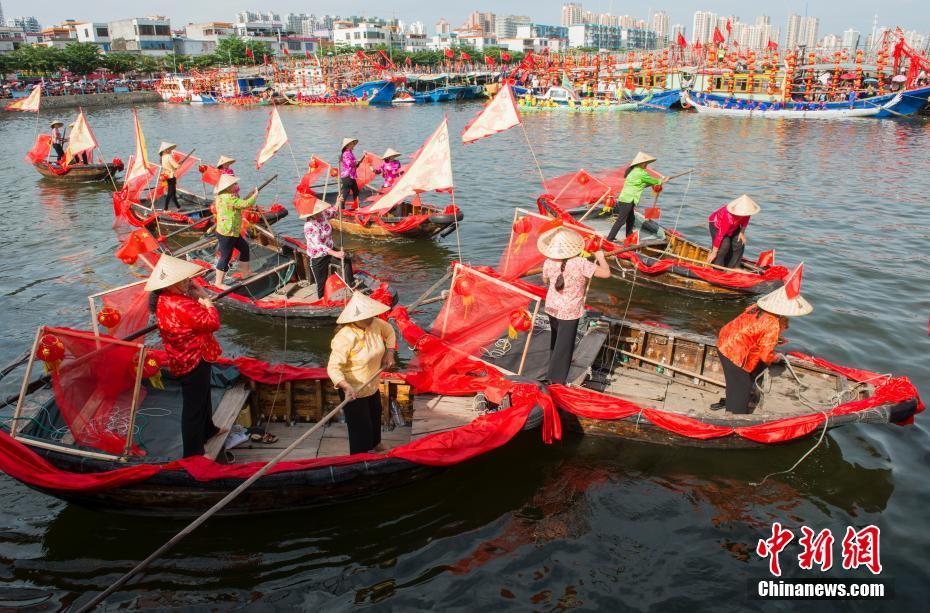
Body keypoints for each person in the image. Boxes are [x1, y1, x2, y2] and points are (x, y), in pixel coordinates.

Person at [145, 254, 227, 458]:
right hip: (193, 359)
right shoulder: (180, 304)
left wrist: (194, 294)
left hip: (184, 355)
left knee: (203, 396)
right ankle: (193, 453)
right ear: (169, 284)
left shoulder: (165, 300)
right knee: (193, 408)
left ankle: (209, 430)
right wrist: (206, 299)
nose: (186, 282)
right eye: (181, 280)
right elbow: (212, 323)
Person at [712, 276, 812, 414]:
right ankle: (735, 417)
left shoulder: (758, 308)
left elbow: (753, 329)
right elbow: (765, 356)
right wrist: (774, 358)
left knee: (736, 380)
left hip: (725, 339)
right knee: (743, 387)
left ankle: (730, 400)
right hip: (735, 352)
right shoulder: (773, 324)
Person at [538, 227, 611, 384]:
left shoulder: (549, 261)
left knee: (557, 341)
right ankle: (555, 381)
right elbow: (606, 273)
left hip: (552, 307)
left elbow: (545, 281)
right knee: (564, 347)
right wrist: (601, 257)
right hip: (569, 311)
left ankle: (552, 369)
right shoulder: (580, 263)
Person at [327, 292, 396, 454]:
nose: (371, 318)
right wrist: (345, 387)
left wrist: (390, 352)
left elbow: (390, 332)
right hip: (353, 389)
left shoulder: (375, 324)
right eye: (367, 316)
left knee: (375, 414)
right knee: (360, 426)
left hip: (372, 384)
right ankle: (360, 457)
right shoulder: (345, 337)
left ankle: (376, 444)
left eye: (372, 315)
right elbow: (333, 367)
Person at [605, 152, 667, 241]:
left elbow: (640, 183)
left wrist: (658, 181)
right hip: (628, 200)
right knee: (621, 221)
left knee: (631, 218)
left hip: (627, 199)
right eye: (646, 163)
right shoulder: (641, 173)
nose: (647, 165)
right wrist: (663, 180)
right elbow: (654, 181)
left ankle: (629, 236)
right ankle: (609, 239)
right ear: (641, 163)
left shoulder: (633, 170)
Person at [302, 200, 355, 299]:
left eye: (319, 211)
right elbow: (319, 245)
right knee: (321, 283)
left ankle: (351, 285)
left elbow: (333, 212)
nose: (319, 213)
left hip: (330, 250)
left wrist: (338, 202)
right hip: (318, 257)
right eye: (316, 212)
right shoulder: (309, 226)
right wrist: (335, 253)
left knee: (346, 260)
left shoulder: (323, 214)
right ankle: (321, 299)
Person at [213, 174, 256, 288]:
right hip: (227, 232)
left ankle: (245, 273)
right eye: (233, 184)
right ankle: (218, 283)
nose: (235, 186)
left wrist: (250, 196)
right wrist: (255, 195)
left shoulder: (221, 196)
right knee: (226, 256)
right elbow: (245, 204)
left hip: (232, 231)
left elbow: (238, 203)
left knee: (244, 248)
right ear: (227, 187)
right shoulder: (229, 197)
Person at [707, 194, 761, 268]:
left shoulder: (746, 214)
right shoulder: (728, 218)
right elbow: (720, 235)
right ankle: (717, 267)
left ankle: (732, 267)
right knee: (724, 245)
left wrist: (742, 232)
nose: (746, 215)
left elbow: (745, 221)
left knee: (740, 242)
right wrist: (714, 252)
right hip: (717, 225)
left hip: (734, 226)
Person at [335, 137, 361, 209]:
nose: (353, 145)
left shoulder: (350, 153)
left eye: (352, 144)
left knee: (355, 191)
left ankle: (357, 206)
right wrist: (356, 161)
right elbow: (349, 163)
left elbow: (354, 165)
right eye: (351, 144)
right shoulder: (346, 153)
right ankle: (341, 207)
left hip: (351, 175)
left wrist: (359, 161)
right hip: (347, 176)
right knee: (346, 192)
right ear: (347, 146)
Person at [159, 142, 181, 211]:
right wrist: (178, 165)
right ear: (165, 150)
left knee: (173, 192)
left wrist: (176, 166)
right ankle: (165, 209)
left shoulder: (162, 157)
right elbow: (175, 166)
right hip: (171, 176)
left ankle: (178, 207)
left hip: (167, 176)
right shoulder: (168, 156)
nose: (170, 150)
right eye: (169, 149)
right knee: (170, 193)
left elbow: (170, 166)